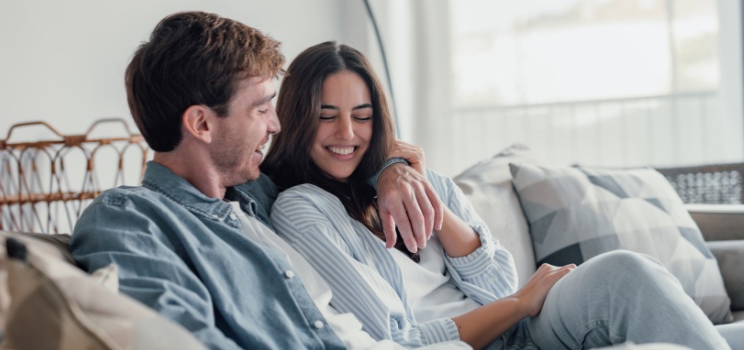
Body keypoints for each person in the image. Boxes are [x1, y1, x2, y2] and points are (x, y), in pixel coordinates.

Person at [261, 41, 740, 350]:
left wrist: (417, 187)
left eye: (362, 116)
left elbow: (495, 285)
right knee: (624, 273)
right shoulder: (302, 210)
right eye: (326, 116)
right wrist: (521, 303)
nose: (347, 133)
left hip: (525, 327)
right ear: (298, 118)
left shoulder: (416, 180)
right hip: (494, 338)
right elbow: (397, 338)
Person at [69, 11, 468, 350]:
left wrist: (391, 168)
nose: (276, 125)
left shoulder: (260, 190)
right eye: (261, 109)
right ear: (201, 123)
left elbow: (340, 156)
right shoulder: (132, 219)